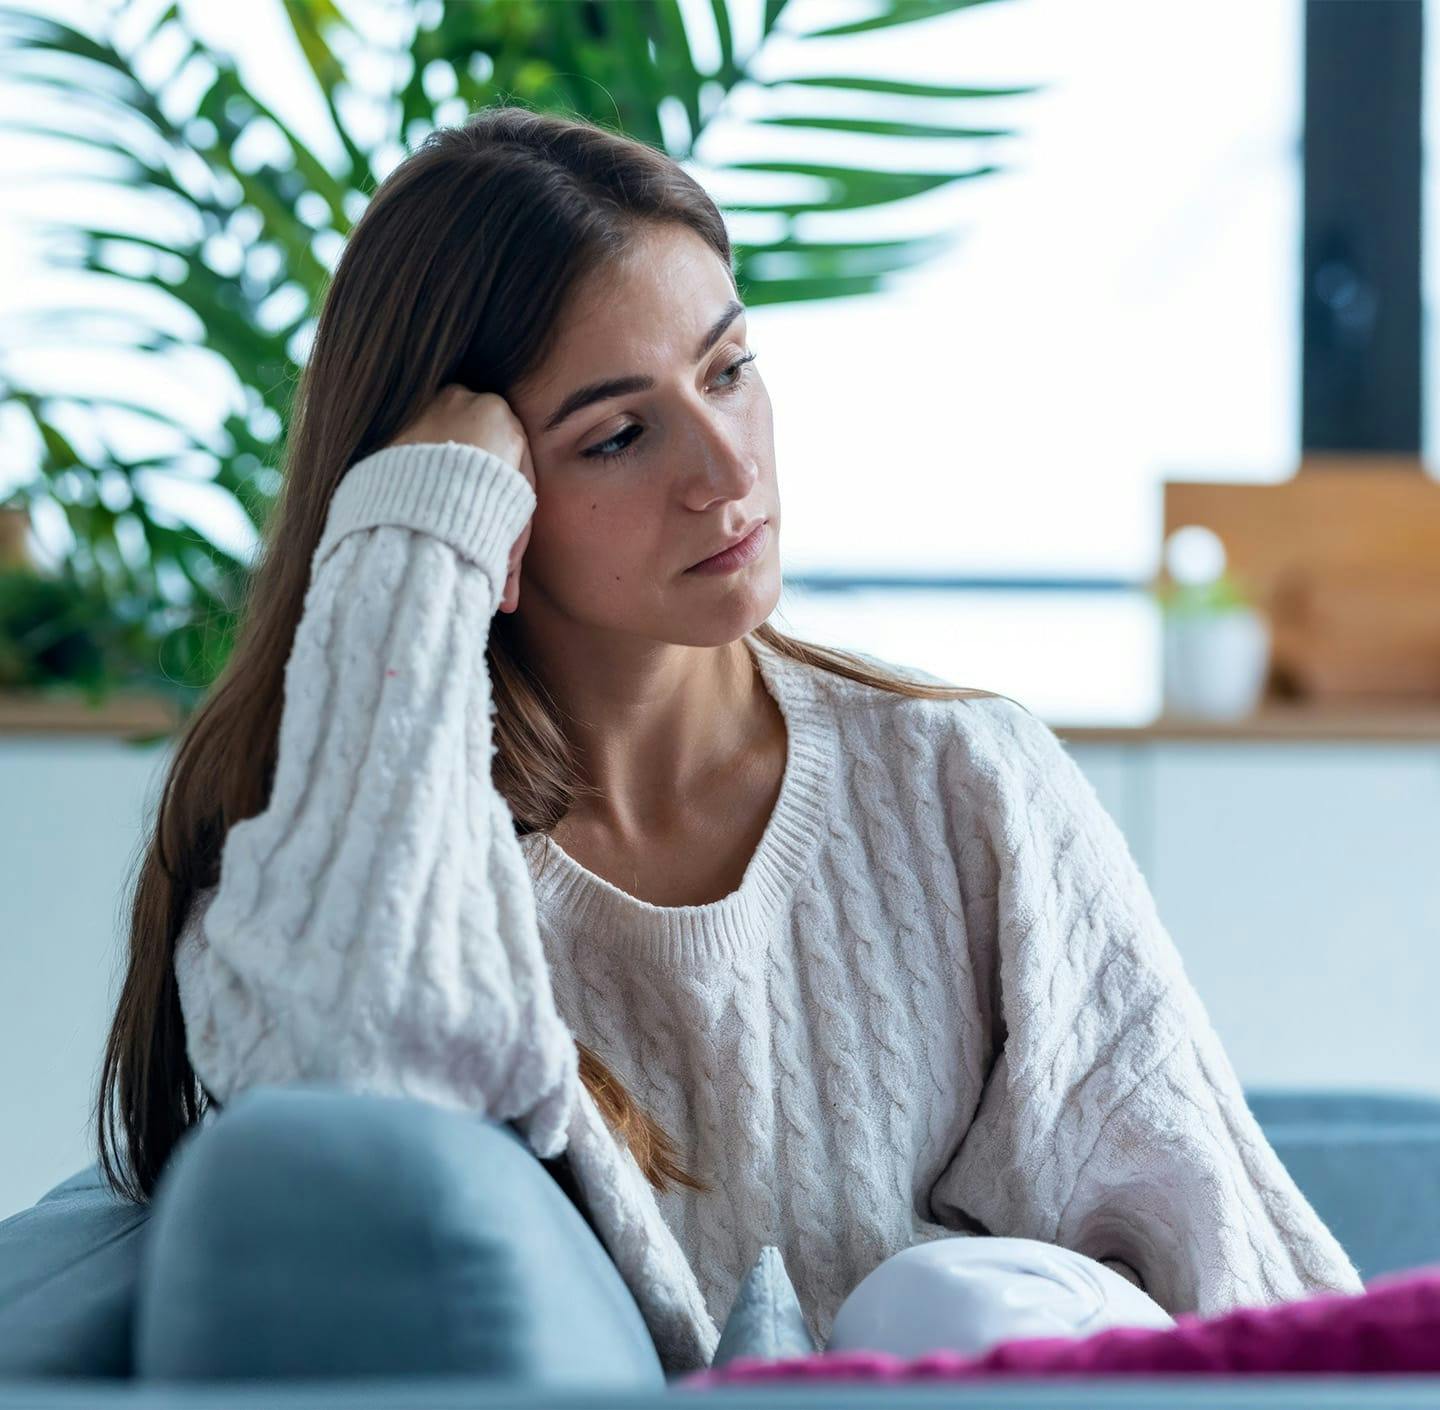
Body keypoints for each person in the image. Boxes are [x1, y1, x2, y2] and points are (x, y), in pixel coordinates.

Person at [93, 105, 1363, 1378]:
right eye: (619, 434)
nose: (723, 470)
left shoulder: (965, 783)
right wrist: (411, 542)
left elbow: (1239, 1265)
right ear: (483, 496)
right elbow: (342, 1112)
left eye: (729, 370)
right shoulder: (367, 867)